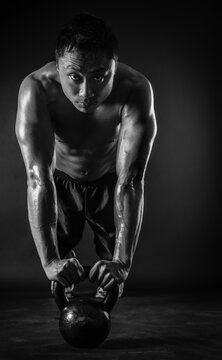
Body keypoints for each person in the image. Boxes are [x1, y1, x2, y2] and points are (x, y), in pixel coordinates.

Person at [15, 13, 157, 299]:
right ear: (59, 68)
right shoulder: (38, 89)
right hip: (59, 182)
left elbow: (131, 180)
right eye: (75, 77)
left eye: (99, 76)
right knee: (59, 273)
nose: (86, 92)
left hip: (111, 182)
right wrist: (50, 261)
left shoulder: (135, 89)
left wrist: (122, 262)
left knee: (113, 278)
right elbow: (37, 178)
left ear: (114, 68)